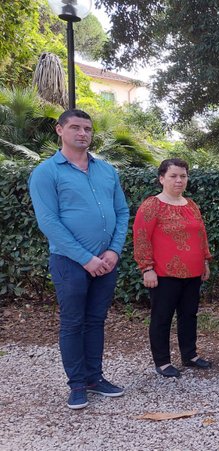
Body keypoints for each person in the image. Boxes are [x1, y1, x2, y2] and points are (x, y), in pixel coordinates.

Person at [28, 109, 129, 410]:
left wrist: (114, 251)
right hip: (69, 262)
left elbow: (122, 211)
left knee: (96, 320)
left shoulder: (107, 170)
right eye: (75, 127)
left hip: (106, 261)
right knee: (73, 322)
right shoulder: (46, 172)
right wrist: (86, 258)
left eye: (87, 128)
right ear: (60, 130)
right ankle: (77, 385)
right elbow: (49, 222)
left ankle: (94, 378)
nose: (83, 133)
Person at [133, 159, 213, 378]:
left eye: (183, 176)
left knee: (189, 315)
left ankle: (190, 355)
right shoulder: (152, 205)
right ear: (161, 179)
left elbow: (201, 234)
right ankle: (162, 362)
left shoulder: (191, 205)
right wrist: (146, 268)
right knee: (162, 317)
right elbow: (141, 237)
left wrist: (205, 260)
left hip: (193, 272)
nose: (179, 180)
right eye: (173, 176)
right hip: (164, 274)